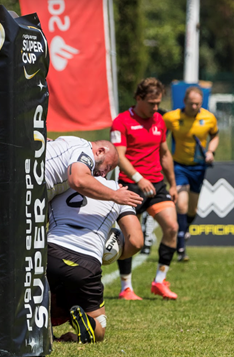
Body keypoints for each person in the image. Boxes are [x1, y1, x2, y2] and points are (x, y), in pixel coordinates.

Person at [48, 177, 143, 343]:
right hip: (87, 263)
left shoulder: (61, 180)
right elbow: (136, 241)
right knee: (99, 331)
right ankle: (89, 323)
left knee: (37, 299)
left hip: (52, 253)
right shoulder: (118, 191)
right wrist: (108, 254)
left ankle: (41, 328)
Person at [110, 78, 180, 301]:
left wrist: (173, 183)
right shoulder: (121, 122)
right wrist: (138, 179)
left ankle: (159, 281)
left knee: (171, 227)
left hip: (157, 184)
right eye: (151, 103)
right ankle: (126, 287)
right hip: (130, 185)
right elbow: (119, 157)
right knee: (131, 237)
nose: (156, 108)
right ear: (138, 98)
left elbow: (165, 154)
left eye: (158, 103)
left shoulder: (160, 120)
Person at [163, 86, 219, 262]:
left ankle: (184, 228)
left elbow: (215, 136)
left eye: (198, 104)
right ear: (184, 102)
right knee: (181, 204)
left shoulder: (208, 118)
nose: (194, 107)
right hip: (178, 166)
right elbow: (160, 137)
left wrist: (211, 151)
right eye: (191, 103)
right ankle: (180, 248)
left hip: (198, 167)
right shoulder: (171, 118)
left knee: (192, 209)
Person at [46, 136, 142, 207]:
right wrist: (115, 195)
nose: (103, 174)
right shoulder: (86, 151)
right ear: (100, 151)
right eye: (107, 167)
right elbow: (78, 180)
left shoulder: (72, 142)